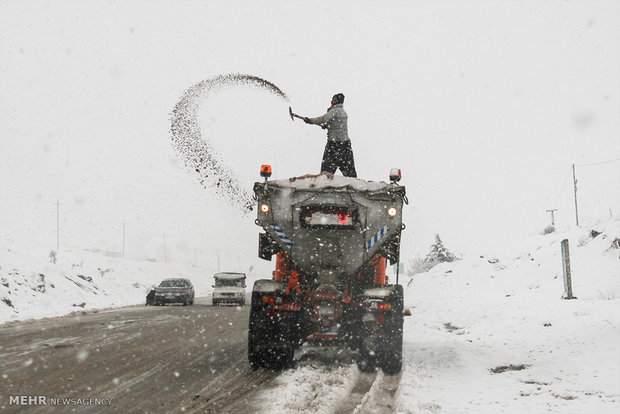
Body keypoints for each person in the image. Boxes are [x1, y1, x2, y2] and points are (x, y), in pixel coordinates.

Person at [300, 93, 357, 178]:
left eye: (333, 99)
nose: (331, 101)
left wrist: (310, 120)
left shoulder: (334, 111)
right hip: (345, 145)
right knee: (349, 172)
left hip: (334, 145)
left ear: (336, 101)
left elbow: (323, 119)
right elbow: (337, 125)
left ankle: (324, 184)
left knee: (326, 172)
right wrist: (327, 126)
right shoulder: (343, 112)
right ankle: (355, 187)